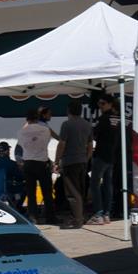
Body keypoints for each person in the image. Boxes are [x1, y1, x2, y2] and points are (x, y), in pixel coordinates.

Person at [54, 98, 93, 229]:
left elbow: (62, 144)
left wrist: (56, 161)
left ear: (69, 111)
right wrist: (86, 158)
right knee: (80, 190)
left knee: (72, 192)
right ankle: (81, 216)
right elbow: (90, 145)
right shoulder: (87, 124)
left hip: (70, 161)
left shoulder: (66, 124)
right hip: (82, 161)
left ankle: (77, 220)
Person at [17, 108, 56, 224]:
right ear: (38, 117)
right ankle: (50, 217)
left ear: (26, 119)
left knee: (31, 192)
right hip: (42, 162)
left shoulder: (20, 132)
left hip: (28, 163)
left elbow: (21, 144)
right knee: (47, 192)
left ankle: (33, 216)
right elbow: (46, 142)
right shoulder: (45, 130)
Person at [88, 94, 119, 225]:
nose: (100, 106)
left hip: (101, 155)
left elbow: (94, 134)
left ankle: (99, 214)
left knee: (95, 184)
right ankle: (106, 214)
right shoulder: (117, 118)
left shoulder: (103, 118)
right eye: (99, 103)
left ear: (110, 104)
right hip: (112, 155)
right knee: (108, 185)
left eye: (102, 103)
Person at [0, 141, 25, 210]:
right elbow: (20, 178)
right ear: (7, 151)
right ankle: (17, 207)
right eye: (9, 150)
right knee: (25, 187)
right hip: (7, 190)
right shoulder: (12, 164)